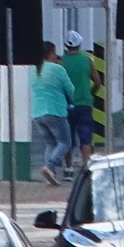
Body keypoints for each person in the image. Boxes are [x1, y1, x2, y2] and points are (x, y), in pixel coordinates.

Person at [31, 41, 76, 185]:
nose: (56, 56)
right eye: (55, 53)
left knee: (50, 144)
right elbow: (71, 89)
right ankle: (50, 166)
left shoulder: (34, 69)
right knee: (65, 142)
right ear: (50, 53)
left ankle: (49, 175)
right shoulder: (57, 69)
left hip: (37, 113)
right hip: (55, 110)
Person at [59, 31, 97, 168]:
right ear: (79, 44)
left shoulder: (61, 62)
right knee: (85, 138)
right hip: (85, 104)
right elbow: (97, 82)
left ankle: (68, 169)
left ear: (65, 46)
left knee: (67, 138)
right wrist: (90, 93)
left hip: (67, 105)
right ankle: (86, 167)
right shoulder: (87, 60)